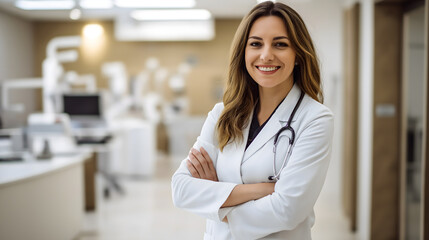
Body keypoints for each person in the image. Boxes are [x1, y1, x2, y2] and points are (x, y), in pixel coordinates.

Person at [171, 2, 334, 239]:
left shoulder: (315, 119)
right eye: (256, 44)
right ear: (243, 53)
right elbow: (181, 190)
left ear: (298, 54)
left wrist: (215, 197)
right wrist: (262, 190)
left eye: (280, 44)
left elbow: (288, 210)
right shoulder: (222, 114)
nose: (266, 55)